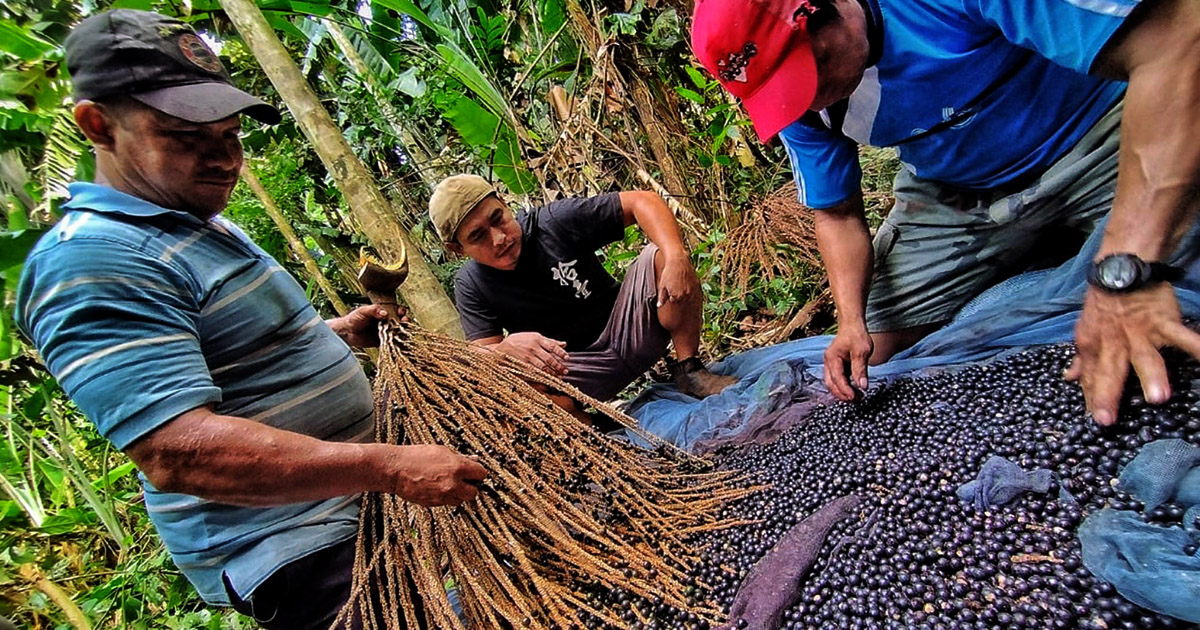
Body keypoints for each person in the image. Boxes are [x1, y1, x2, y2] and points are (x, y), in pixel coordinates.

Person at [15, 10, 486, 629]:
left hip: (350, 510)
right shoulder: (92, 261)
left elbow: (230, 357)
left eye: (230, 136)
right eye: (187, 139)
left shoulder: (197, 221)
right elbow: (179, 452)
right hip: (298, 545)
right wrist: (389, 466)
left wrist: (339, 335)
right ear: (97, 125)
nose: (225, 161)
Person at [692, 0, 1200, 424]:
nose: (808, 97)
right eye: (785, 91)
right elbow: (838, 214)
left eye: (808, 71)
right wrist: (850, 323)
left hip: (1094, 138)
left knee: (1175, 265)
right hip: (956, 192)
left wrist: (1126, 269)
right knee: (879, 343)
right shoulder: (801, 105)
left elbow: (1178, 40)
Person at [429, 175, 738, 404]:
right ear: (458, 249)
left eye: (498, 219)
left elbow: (642, 201)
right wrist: (506, 349)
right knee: (511, 374)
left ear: (505, 204)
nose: (499, 238)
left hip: (631, 330)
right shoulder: (471, 284)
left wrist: (675, 254)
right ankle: (594, 432)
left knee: (661, 257)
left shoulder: (551, 222)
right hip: (575, 371)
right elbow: (482, 355)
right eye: (479, 236)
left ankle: (690, 370)